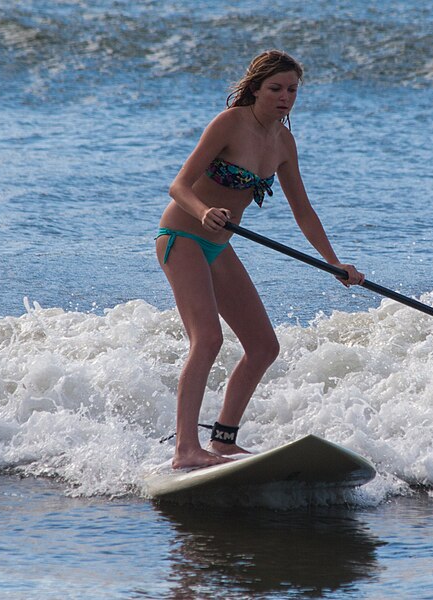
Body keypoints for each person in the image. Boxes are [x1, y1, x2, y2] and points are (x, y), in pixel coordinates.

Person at [156, 50, 365, 470]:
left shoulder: (284, 142)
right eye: (275, 88)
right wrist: (203, 212)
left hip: (218, 246)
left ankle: (224, 441)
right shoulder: (229, 123)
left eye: (291, 90)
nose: (285, 97)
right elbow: (178, 185)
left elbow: (303, 211)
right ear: (255, 88)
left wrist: (335, 264)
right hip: (182, 236)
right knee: (208, 339)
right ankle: (185, 450)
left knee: (264, 346)